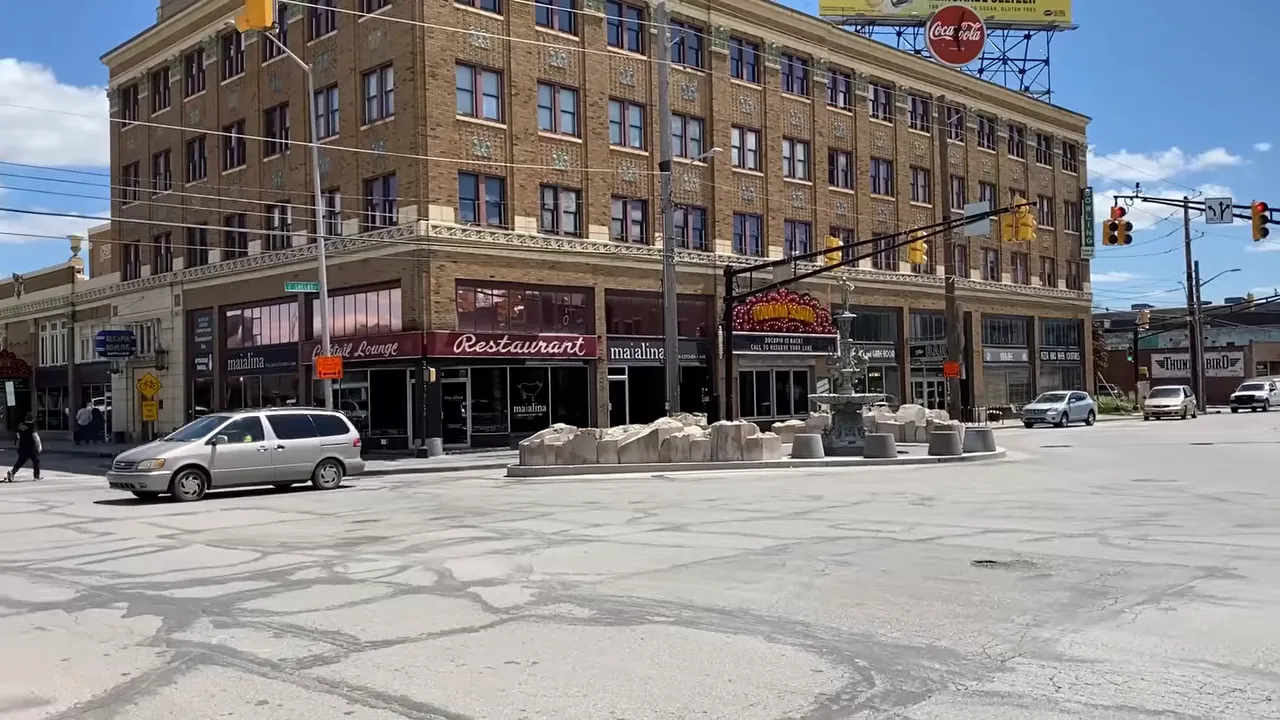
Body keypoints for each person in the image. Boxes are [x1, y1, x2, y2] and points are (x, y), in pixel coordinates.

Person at [6, 413, 42, 482]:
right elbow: (35, 437)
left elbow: (18, 435)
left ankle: (12, 472)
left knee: (20, 461)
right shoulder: (32, 426)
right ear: (32, 419)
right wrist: (39, 446)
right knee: (36, 461)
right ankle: (36, 476)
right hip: (31, 447)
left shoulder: (21, 425)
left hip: (22, 446)